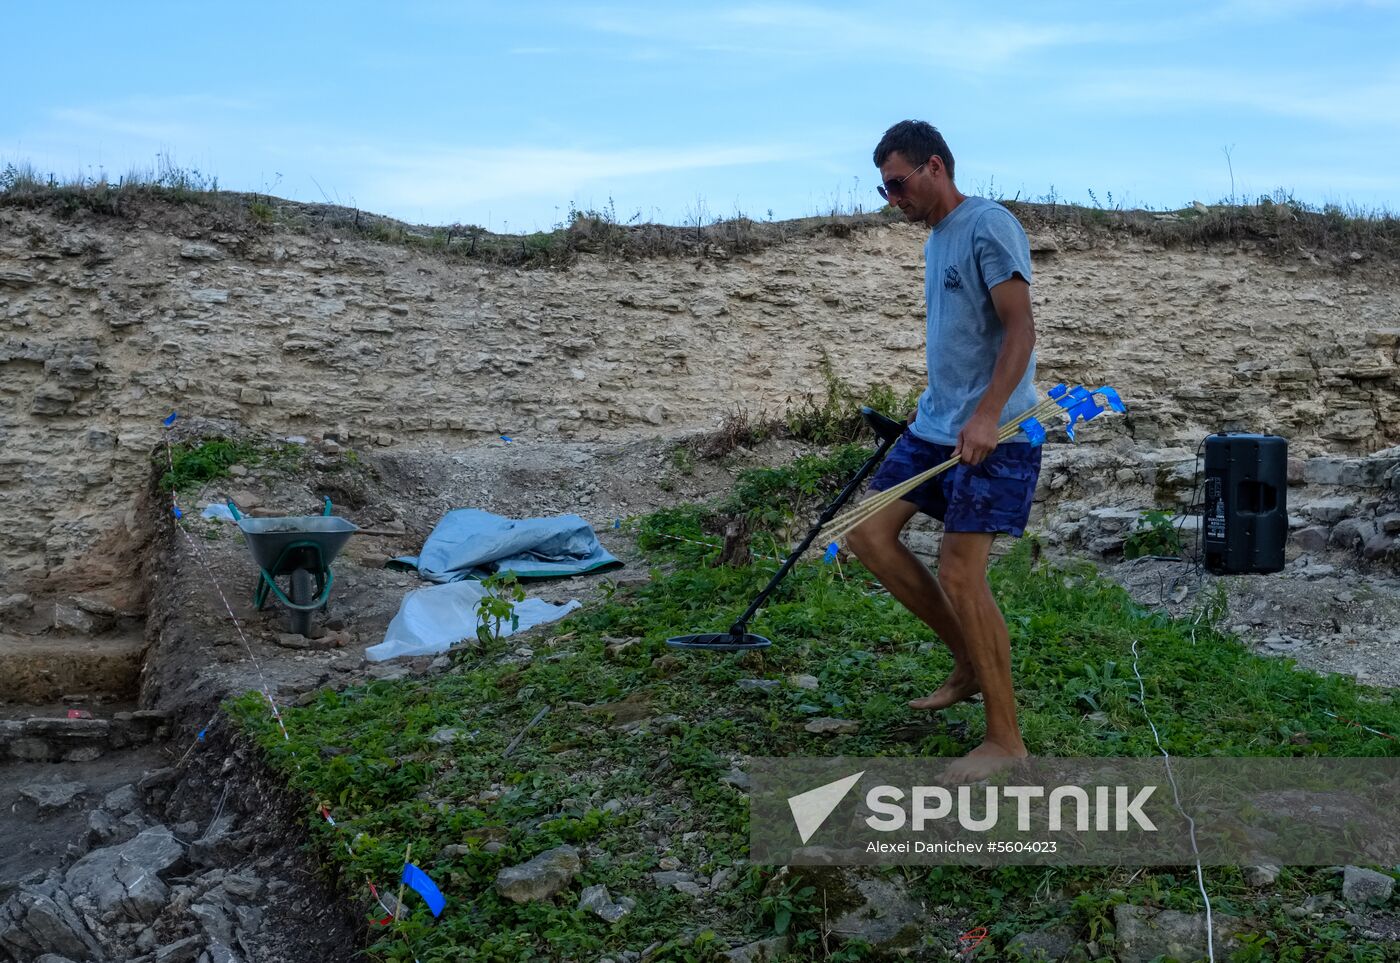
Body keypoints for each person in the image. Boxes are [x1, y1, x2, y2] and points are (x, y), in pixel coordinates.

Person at [846, 120, 1041, 778]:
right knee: (867, 534)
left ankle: (1006, 740)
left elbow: (1020, 327)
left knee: (961, 571)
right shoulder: (936, 240)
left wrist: (986, 414)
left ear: (935, 165)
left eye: (898, 183)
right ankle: (969, 659)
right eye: (883, 189)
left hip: (998, 429)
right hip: (935, 424)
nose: (891, 198)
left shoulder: (988, 224)